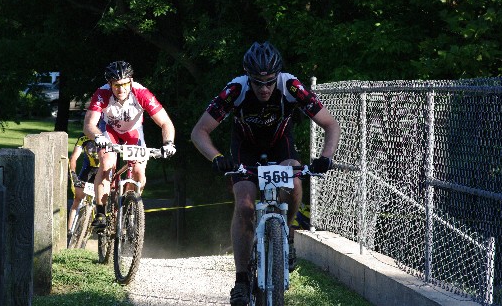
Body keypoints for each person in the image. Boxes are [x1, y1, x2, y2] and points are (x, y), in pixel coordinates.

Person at [190, 41, 340, 306]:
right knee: (245, 204)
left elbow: (330, 124)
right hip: (244, 150)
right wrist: (216, 158)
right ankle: (241, 281)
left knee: (293, 184)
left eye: (270, 82)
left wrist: (326, 157)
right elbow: (199, 131)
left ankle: (288, 232)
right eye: (258, 83)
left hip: (280, 146)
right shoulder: (236, 89)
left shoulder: (292, 86)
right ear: (249, 77)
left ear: (277, 77)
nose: (264, 88)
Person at [84, 60, 176, 229]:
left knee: (139, 172)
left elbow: (165, 123)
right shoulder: (102, 93)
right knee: (106, 164)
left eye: (125, 84)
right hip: (108, 130)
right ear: (109, 84)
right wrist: (97, 137)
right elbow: (89, 125)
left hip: (133, 132)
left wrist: (168, 143)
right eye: (116, 85)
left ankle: (130, 206)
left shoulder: (141, 93)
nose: (121, 89)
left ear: (131, 81)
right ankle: (101, 212)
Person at [67, 135, 100, 239]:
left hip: (103, 170)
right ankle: (69, 231)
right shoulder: (84, 139)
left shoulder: (108, 136)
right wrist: (73, 173)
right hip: (88, 171)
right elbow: (73, 158)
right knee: (77, 199)